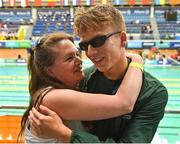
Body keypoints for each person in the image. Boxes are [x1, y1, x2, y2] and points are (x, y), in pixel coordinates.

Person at [28, 5, 168, 143]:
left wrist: (67, 135)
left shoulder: (153, 92)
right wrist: (137, 60)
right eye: (84, 46)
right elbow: (123, 103)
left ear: (123, 39)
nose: (89, 53)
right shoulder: (83, 80)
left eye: (98, 41)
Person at [18, 32, 144, 143]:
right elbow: (124, 104)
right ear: (49, 71)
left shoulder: (66, 90)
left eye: (77, 54)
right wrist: (137, 61)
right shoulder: (52, 98)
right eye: (69, 58)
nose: (79, 60)